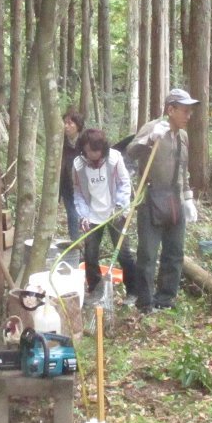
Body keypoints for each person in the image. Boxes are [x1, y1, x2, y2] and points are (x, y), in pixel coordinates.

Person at [127, 88, 200, 314]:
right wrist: (149, 139)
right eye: (184, 110)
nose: (188, 115)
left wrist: (188, 198)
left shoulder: (183, 136)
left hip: (174, 198)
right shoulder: (153, 128)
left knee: (174, 252)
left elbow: (183, 169)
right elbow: (130, 152)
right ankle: (145, 302)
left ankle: (165, 298)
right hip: (151, 197)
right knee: (148, 253)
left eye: (190, 111)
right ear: (171, 109)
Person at [72, 128, 138, 305]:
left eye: (97, 150)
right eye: (89, 151)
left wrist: (120, 206)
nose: (94, 155)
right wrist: (83, 216)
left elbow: (125, 184)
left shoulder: (115, 159)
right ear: (84, 150)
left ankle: (132, 291)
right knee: (91, 254)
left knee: (124, 253)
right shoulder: (78, 165)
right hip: (92, 215)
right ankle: (95, 290)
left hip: (114, 213)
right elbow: (78, 193)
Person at [60, 109, 85, 243]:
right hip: (66, 184)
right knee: (71, 213)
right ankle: (75, 242)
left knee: (85, 214)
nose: (66, 126)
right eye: (65, 123)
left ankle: (88, 243)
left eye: (70, 123)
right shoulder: (60, 141)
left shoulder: (85, 141)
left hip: (84, 185)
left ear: (78, 125)